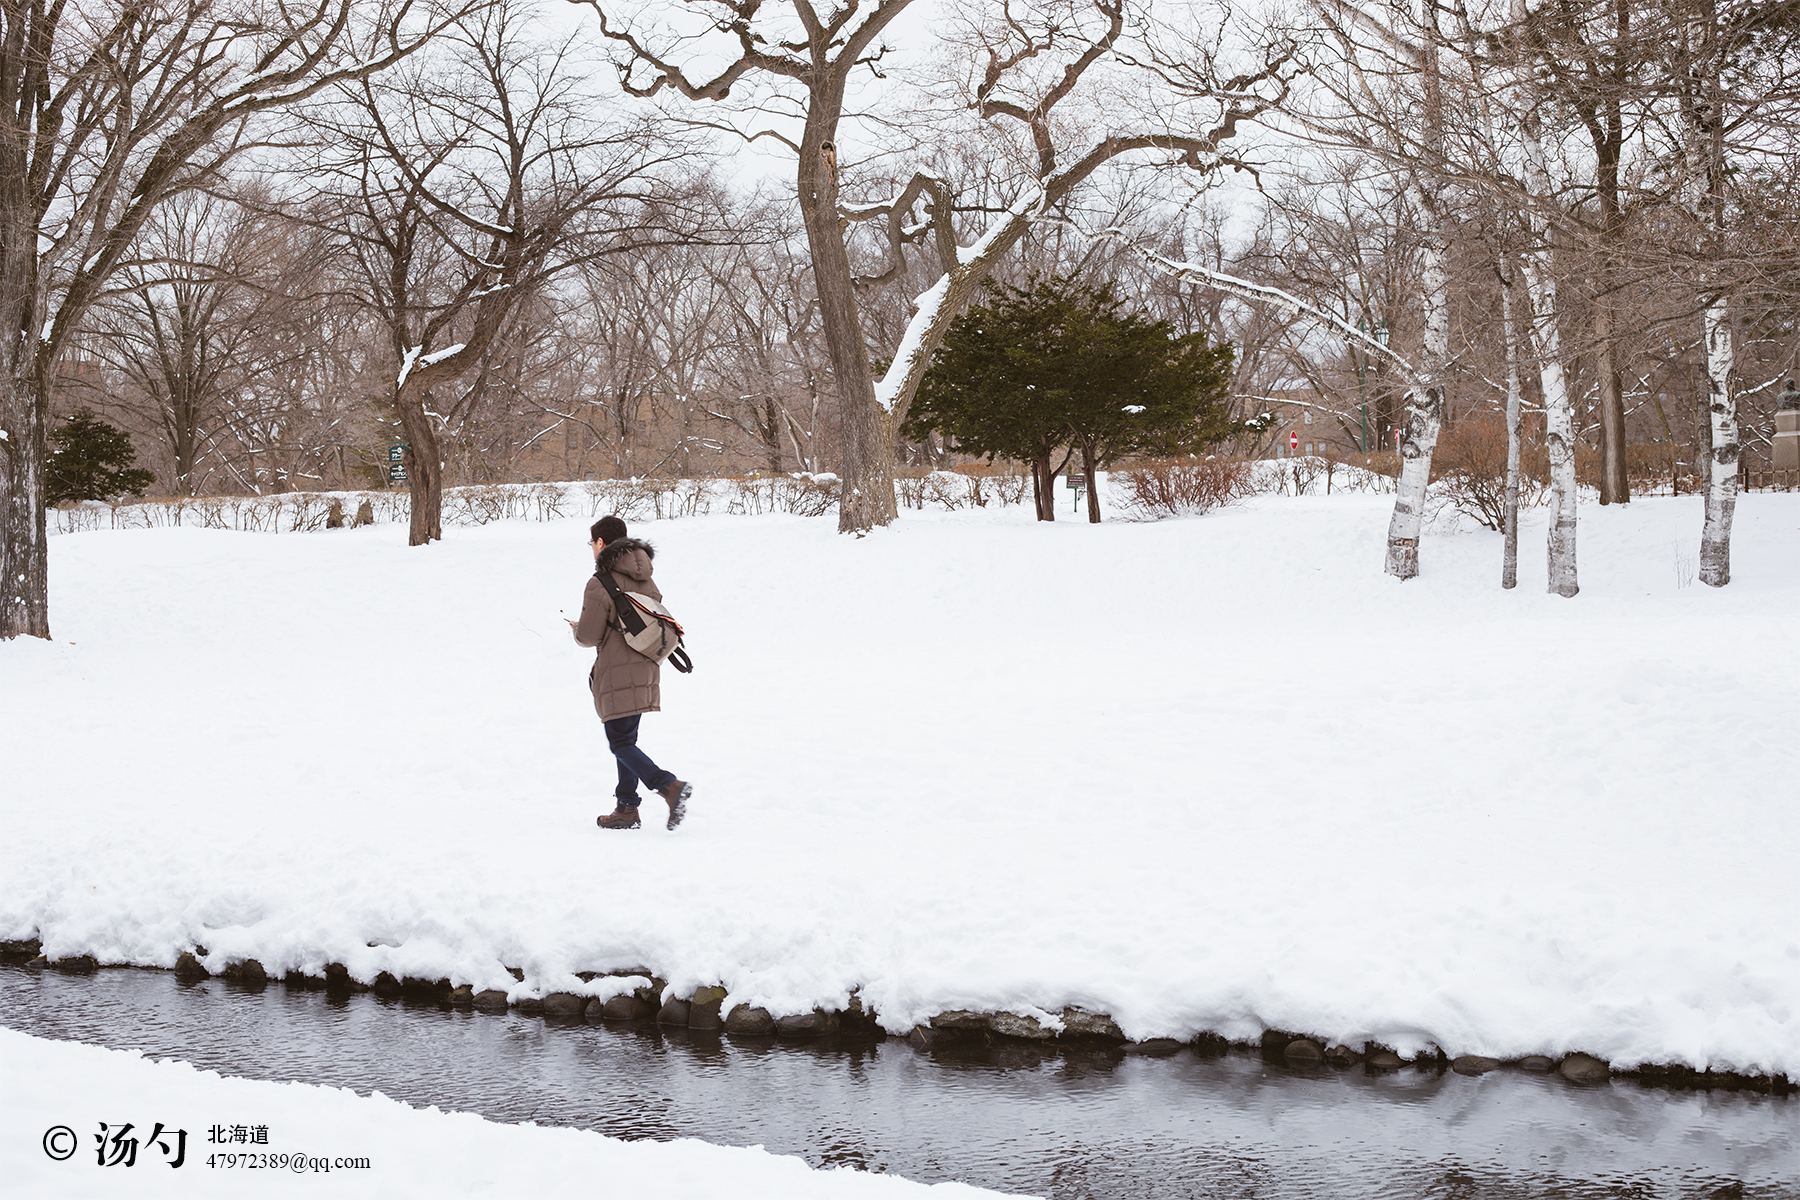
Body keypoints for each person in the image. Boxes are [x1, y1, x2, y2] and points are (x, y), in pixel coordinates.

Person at [569, 515, 691, 830]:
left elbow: (589, 636)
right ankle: (626, 808)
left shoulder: (600, 582)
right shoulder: (646, 578)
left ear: (600, 543)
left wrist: (576, 629)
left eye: (591, 543)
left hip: (617, 671)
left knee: (619, 743)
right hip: (646, 666)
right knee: (628, 739)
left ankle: (668, 786)